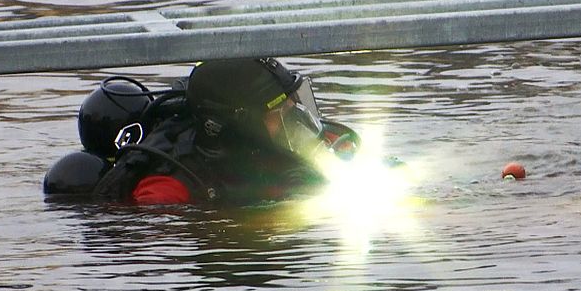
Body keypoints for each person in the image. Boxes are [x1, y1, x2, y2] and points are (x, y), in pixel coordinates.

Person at [44, 57, 361, 204]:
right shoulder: (169, 186)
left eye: (296, 104)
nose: (296, 118)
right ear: (240, 126)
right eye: (281, 112)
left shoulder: (283, 138)